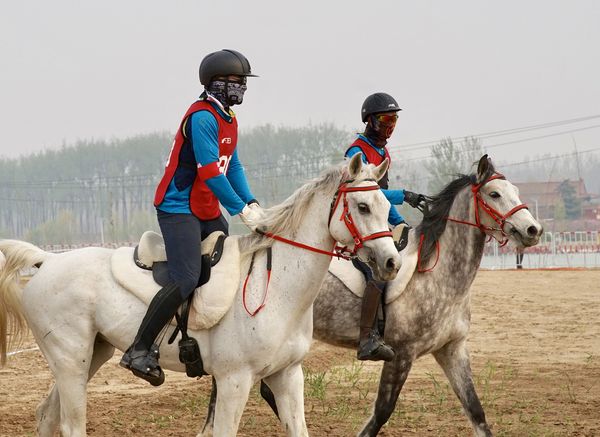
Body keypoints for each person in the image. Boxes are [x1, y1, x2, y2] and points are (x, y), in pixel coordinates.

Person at [120, 49, 263, 385]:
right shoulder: (201, 117)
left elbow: (234, 166)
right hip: (178, 205)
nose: (242, 87)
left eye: (243, 82)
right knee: (187, 277)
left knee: (228, 262)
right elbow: (212, 173)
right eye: (236, 82)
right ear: (216, 83)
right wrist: (239, 209)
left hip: (207, 207)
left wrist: (252, 201)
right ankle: (139, 349)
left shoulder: (228, 117)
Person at [345, 92, 425, 362]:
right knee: (377, 271)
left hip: (377, 222)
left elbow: (381, 202)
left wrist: (400, 221)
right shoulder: (356, 151)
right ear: (370, 120)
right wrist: (405, 195)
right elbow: (371, 194)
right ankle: (367, 338)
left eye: (395, 120)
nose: (391, 125)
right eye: (386, 119)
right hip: (357, 224)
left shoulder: (383, 152)